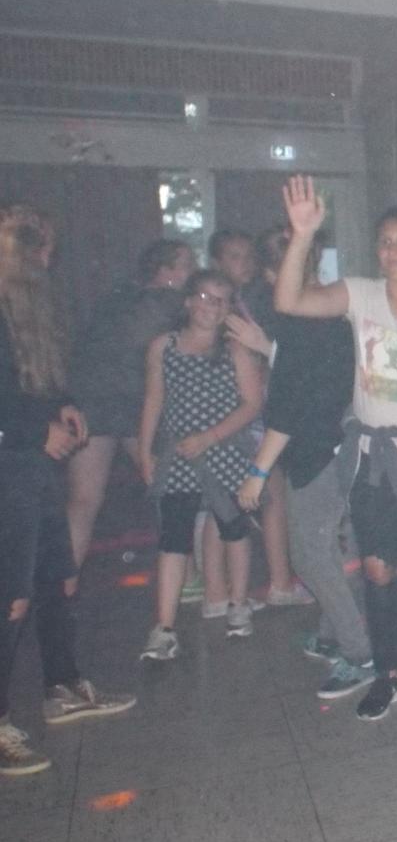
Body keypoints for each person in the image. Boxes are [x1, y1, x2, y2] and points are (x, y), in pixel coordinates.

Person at [273, 176, 397, 721]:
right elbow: (289, 301)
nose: (392, 251)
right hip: (370, 460)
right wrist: (303, 235)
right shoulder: (360, 293)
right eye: (385, 242)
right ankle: (388, 675)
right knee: (379, 571)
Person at [1, 203, 135, 775]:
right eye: (36, 247)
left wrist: (63, 406)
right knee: (11, 597)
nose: (46, 260)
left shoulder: (20, 310)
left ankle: (62, 684)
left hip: (30, 468)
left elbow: (25, 388)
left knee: (55, 578)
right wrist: (38, 431)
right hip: (8, 467)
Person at [236, 224, 372, 701]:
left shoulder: (298, 321)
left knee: (311, 555)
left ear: (272, 274)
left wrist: (257, 472)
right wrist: (268, 348)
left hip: (319, 451)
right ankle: (335, 635)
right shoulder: (328, 314)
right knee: (328, 549)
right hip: (337, 443)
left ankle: (360, 654)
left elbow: (290, 407)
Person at [138, 268, 263, 657]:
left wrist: (210, 437)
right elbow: (154, 399)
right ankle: (164, 626)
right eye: (206, 297)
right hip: (178, 456)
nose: (213, 306)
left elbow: (253, 403)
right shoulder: (164, 346)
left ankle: (238, 604)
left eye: (222, 300)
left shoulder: (234, 349)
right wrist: (145, 450)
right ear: (189, 301)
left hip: (224, 451)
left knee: (233, 528)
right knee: (173, 537)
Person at [65, 238, 194, 569]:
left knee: (84, 501)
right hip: (134, 406)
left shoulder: (115, 298)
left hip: (92, 403)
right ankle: (187, 576)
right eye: (186, 265)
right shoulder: (170, 303)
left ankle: (63, 582)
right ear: (164, 271)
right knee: (172, 490)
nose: (193, 272)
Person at [211, 227, 306, 609]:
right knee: (268, 492)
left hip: (239, 409)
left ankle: (220, 593)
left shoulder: (252, 298)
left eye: (249, 255)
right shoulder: (230, 304)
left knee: (228, 499)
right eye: (235, 256)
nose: (245, 263)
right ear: (217, 261)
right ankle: (278, 583)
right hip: (244, 410)